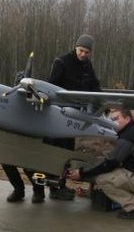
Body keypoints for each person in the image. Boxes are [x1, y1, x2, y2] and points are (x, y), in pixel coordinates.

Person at [67, 107, 134, 219]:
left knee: (103, 180)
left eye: (116, 118)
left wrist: (82, 173)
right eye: (110, 120)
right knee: (118, 174)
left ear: (128, 118)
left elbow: (110, 163)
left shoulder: (128, 136)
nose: (112, 122)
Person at [44, 33, 102, 200]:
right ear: (76, 47)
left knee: (67, 153)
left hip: (75, 117)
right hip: (57, 116)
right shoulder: (61, 62)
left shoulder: (87, 66)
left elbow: (95, 87)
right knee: (53, 149)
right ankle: (50, 187)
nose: (83, 54)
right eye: (81, 50)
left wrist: (101, 102)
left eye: (87, 52)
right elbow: (51, 87)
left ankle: (60, 186)